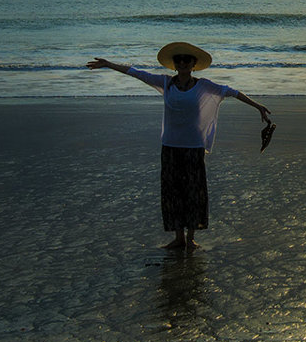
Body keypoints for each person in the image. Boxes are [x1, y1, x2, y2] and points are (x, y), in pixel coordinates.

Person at [87, 42, 271, 251]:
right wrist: (108, 64)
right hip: (170, 146)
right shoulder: (165, 83)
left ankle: (191, 238)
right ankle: (178, 238)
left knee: (194, 191)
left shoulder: (204, 86)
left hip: (193, 146)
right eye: (178, 60)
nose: (182, 62)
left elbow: (232, 92)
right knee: (172, 191)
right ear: (174, 65)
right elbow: (136, 73)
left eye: (187, 59)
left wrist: (258, 106)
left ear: (194, 64)